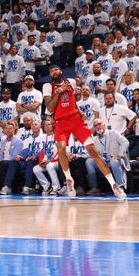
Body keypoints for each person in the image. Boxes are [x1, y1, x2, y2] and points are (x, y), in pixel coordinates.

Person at [44, 65, 127, 200]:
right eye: (51, 71)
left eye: (56, 70)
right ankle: (69, 180)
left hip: (76, 120)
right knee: (61, 149)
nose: (54, 72)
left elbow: (72, 100)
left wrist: (78, 110)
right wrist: (58, 91)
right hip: (60, 122)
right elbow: (50, 107)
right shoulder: (48, 86)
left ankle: (114, 185)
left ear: (61, 72)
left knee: (93, 151)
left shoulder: (70, 82)